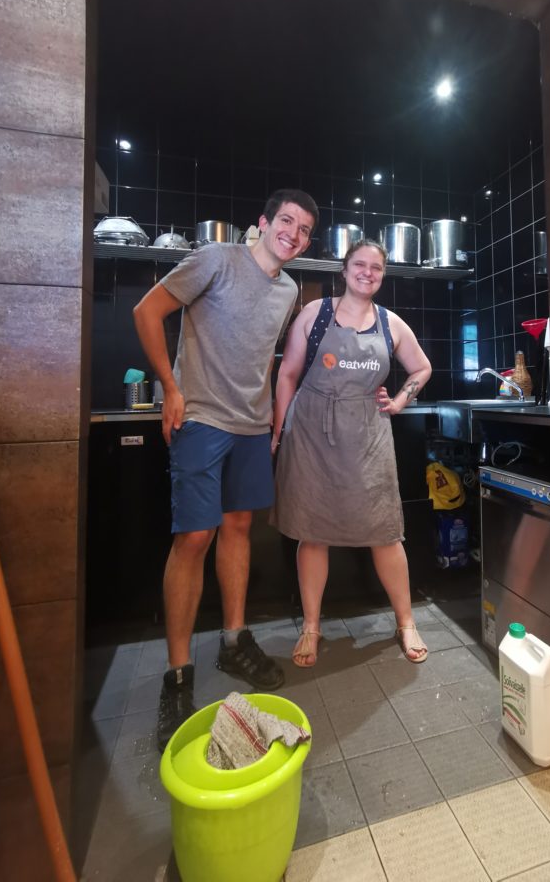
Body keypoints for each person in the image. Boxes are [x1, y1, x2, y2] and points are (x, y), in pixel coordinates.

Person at [133, 188, 318, 750]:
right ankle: (178, 673)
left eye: (304, 230)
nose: (294, 234)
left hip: (252, 427)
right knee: (195, 537)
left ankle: (234, 641)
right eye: (286, 221)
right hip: (201, 420)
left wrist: (270, 420)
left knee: (239, 528)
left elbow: (261, 358)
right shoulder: (216, 260)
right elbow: (147, 312)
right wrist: (170, 388)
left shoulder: (288, 290)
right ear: (264, 222)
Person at [271, 239, 432, 668]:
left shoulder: (391, 323)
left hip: (367, 436)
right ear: (344, 270)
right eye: (359, 265)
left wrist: (400, 400)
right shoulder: (315, 313)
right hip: (311, 432)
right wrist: (279, 430)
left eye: (376, 268)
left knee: (384, 530)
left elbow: (422, 367)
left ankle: (406, 622)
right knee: (312, 531)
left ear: (383, 275)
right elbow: (287, 374)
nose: (367, 273)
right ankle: (311, 627)